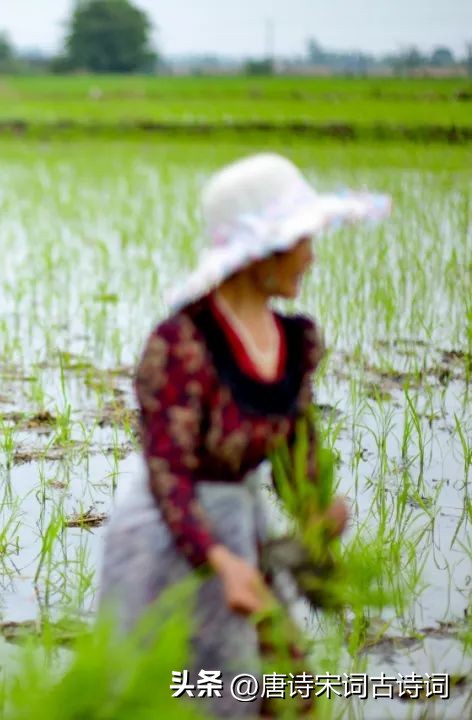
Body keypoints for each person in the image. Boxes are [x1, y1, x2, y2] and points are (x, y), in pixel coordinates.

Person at [99, 153, 390, 717]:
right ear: (263, 252)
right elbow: (169, 473)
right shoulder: (181, 344)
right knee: (174, 694)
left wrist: (313, 513)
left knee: (284, 690)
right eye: (301, 239)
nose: (311, 255)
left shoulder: (295, 339)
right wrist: (221, 560)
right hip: (165, 536)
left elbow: (296, 449)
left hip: (239, 526)